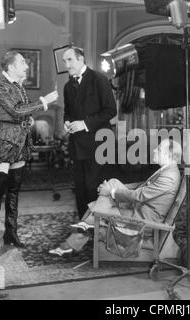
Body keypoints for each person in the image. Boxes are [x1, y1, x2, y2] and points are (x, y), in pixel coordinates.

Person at [49, 138, 182, 256]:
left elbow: (139, 195)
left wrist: (111, 192)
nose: (154, 151)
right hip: (141, 208)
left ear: (169, 155)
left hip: (144, 218)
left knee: (99, 206)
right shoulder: (167, 170)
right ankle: (90, 220)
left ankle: (85, 226)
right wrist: (111, 189)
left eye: (158, 149)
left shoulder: (169, 177)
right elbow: (143, 191)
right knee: (112, 182)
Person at [0, 50, 59, 253]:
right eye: (22, 63)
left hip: (20, 144)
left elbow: (21, 112)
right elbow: (16, 110)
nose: (26, 66)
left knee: (14, 194)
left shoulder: (19, 87)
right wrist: (44, 102)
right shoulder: (0, 86)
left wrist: (29, 119)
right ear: (10, 67)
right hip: (4, 144)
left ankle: (11, 233)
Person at [62, 46, 117, 220]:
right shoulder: (67, 86)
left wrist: (84, 124)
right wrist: (67, 122)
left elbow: (110, 111)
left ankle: (97, 225)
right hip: (78, 145)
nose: (66, 64)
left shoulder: (99, 79)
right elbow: (68, 112)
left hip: (98, 144)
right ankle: (84, 223)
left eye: (69, 60)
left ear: (80, 59)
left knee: (92, 186)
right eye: (65, 61)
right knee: (79, 187)